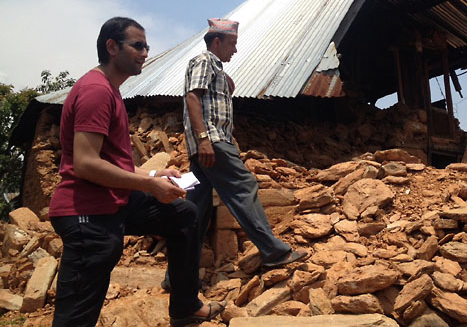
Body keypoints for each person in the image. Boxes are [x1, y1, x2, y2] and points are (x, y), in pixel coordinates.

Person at [49, 17, 225, 327]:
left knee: (183, 214)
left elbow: (112, 161)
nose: (145, 52)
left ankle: (185, 307)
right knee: (76, 315)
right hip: (86, 212)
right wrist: (148, 188)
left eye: (147, 46)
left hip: (112, 201)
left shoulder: (110, 89)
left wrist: (154, 176)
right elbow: (86, 163)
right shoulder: (96, 91)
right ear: (112, 47)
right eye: (138, 45)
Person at [183, 18, 306, 268]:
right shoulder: (204, 61)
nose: (235, 50)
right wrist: (204, 139)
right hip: (213, 142)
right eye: (232, 43)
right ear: (216, 42)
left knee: (196, 209)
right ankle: (274, 252)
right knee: (244, 185)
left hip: (208, 145)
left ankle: (177, 276)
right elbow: (192, 98)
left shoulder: (216, 69)